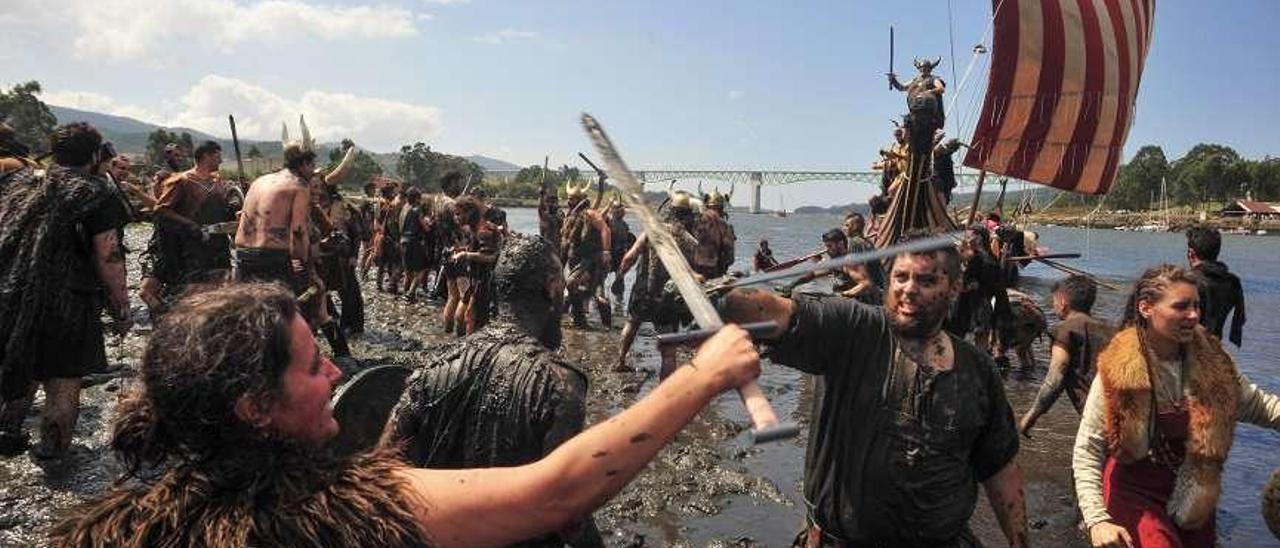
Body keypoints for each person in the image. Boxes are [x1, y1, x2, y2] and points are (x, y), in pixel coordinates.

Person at [51, 282, 761, 547]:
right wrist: (706, 374)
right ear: (254, 408)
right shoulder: (330, 513)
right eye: (310, 366)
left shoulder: (113, 527)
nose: (335, 370)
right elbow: (555, 490)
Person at [718, 233, 1027, 547]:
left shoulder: (977, 369)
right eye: (900, 277)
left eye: (926, 280)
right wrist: (721, 298)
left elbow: (998, 465)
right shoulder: (853, 329)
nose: (909, 289)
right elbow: (775, 312)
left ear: (954, 289)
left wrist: (1020, 542)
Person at [386, 233, 602, 546]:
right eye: (562, 287)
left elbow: (383, 470)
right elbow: (567, 508)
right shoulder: (559, 384)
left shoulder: (432, 366)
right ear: (552, 288)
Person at [1072, 264, 1280, 548]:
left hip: (1195, 497)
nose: (1193, 315)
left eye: (1196, 305)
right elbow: (1088, 449)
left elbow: (1260, 406)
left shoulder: (1215, 363)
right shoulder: (1118, 369)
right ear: (1146, 308)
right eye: (1181, 306)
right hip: (1134, 495)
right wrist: (1097, 520)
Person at [0, 122, 132, 458]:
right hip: (68, 302)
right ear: (93, 155)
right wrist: (121, 307)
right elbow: (109, 255)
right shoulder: (96, 192)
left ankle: (8, 433)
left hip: (13, 293)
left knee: (22, 360)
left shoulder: (20, 182)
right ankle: (53, 454)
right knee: (62, 380)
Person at [1018, 275, 1115, 437]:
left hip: (1096, 414)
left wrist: (1031, 415)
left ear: (1062, 302)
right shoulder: (1109, 330)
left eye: (1054, 301)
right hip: (1120, 409)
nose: (1053, 305)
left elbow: (1056, 377)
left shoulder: (1065, 330)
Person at [615, 192, 699, 374]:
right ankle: (665, 387)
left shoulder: (652, 231)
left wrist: (620, 276)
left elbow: (629, 257)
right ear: (687, 215)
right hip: (667, 297)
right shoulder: (690, 241)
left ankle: (620, 361)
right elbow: (691, 273)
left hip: (643, 290)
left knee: (632, 323)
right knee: (668, 350)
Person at [154, 140, 239, 287]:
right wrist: (189, 224)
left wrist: (233, 205)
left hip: (219, 244)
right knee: (199, 289)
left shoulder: (217, 180)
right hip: (195, 245)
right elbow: (161, 210)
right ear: (207, 156)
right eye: (218, 156)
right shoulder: (182, 181)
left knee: (223, 286)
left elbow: (222, 206)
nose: (221, 160)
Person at [559, 182, 612, 329]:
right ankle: (585, 320)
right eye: (569, 198)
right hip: (576, 259)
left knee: (573, 284)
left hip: (591, 260)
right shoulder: (571, 215)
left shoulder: (590, 213)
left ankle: (582, 320)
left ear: (581, 199)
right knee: (587, 290)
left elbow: (605, 230)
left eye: (574, 198)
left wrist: (606, 252)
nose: (570, 201)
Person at [1185, 226, 1245, 346]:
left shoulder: (1186, 281)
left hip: (1187, 348)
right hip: (1215, 348)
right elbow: (1239, 320)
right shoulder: (1233, 282)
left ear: (1191, 253)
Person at [449, 196, 501, 335]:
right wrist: (462, 250)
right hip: (475, 278)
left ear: (469, 213)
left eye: (458, 214)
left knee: (471, 318)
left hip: (485, 281)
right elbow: (476, 250)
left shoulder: (483, 231)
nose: (456, 218)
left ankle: (469, 347)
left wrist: (465, 255)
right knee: (463, 316)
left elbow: (490, 257)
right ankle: (461, 344)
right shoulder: (473, 229)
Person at [692, 189, 736, 279]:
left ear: (706, 205)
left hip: (692, 270)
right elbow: (730, 258)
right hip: (714, 272)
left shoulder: (695, 220)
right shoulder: (725, 226)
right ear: (721, 208)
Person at [399, 187, 432, 303]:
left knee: (408, 271)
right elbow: (425, 227)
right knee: (421, 269)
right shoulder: (416, 210)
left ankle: (405, 292)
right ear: (417, 198)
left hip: (403, 240)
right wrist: (430, 223)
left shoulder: (404, 208)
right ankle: (411, 293)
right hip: (414, 242)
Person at [841, 211, 885, 288]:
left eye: (847, 225)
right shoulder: (867, 242)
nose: (843, 228)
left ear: (854, 227)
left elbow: (859, 268)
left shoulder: (854, 242)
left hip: (872, 286)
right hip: (879, 283)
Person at [606, 200, 634, 303]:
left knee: (620, 278)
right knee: (600, 279)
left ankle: (619, 302)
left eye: (622, 209)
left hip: (621, 255)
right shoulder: (607, 222)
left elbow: (627, 241)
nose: (622, 211)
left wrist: (627, 253)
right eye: (618, 209)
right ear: (613, 210)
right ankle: (598, 300)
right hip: (609, 255)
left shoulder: (625, 225)